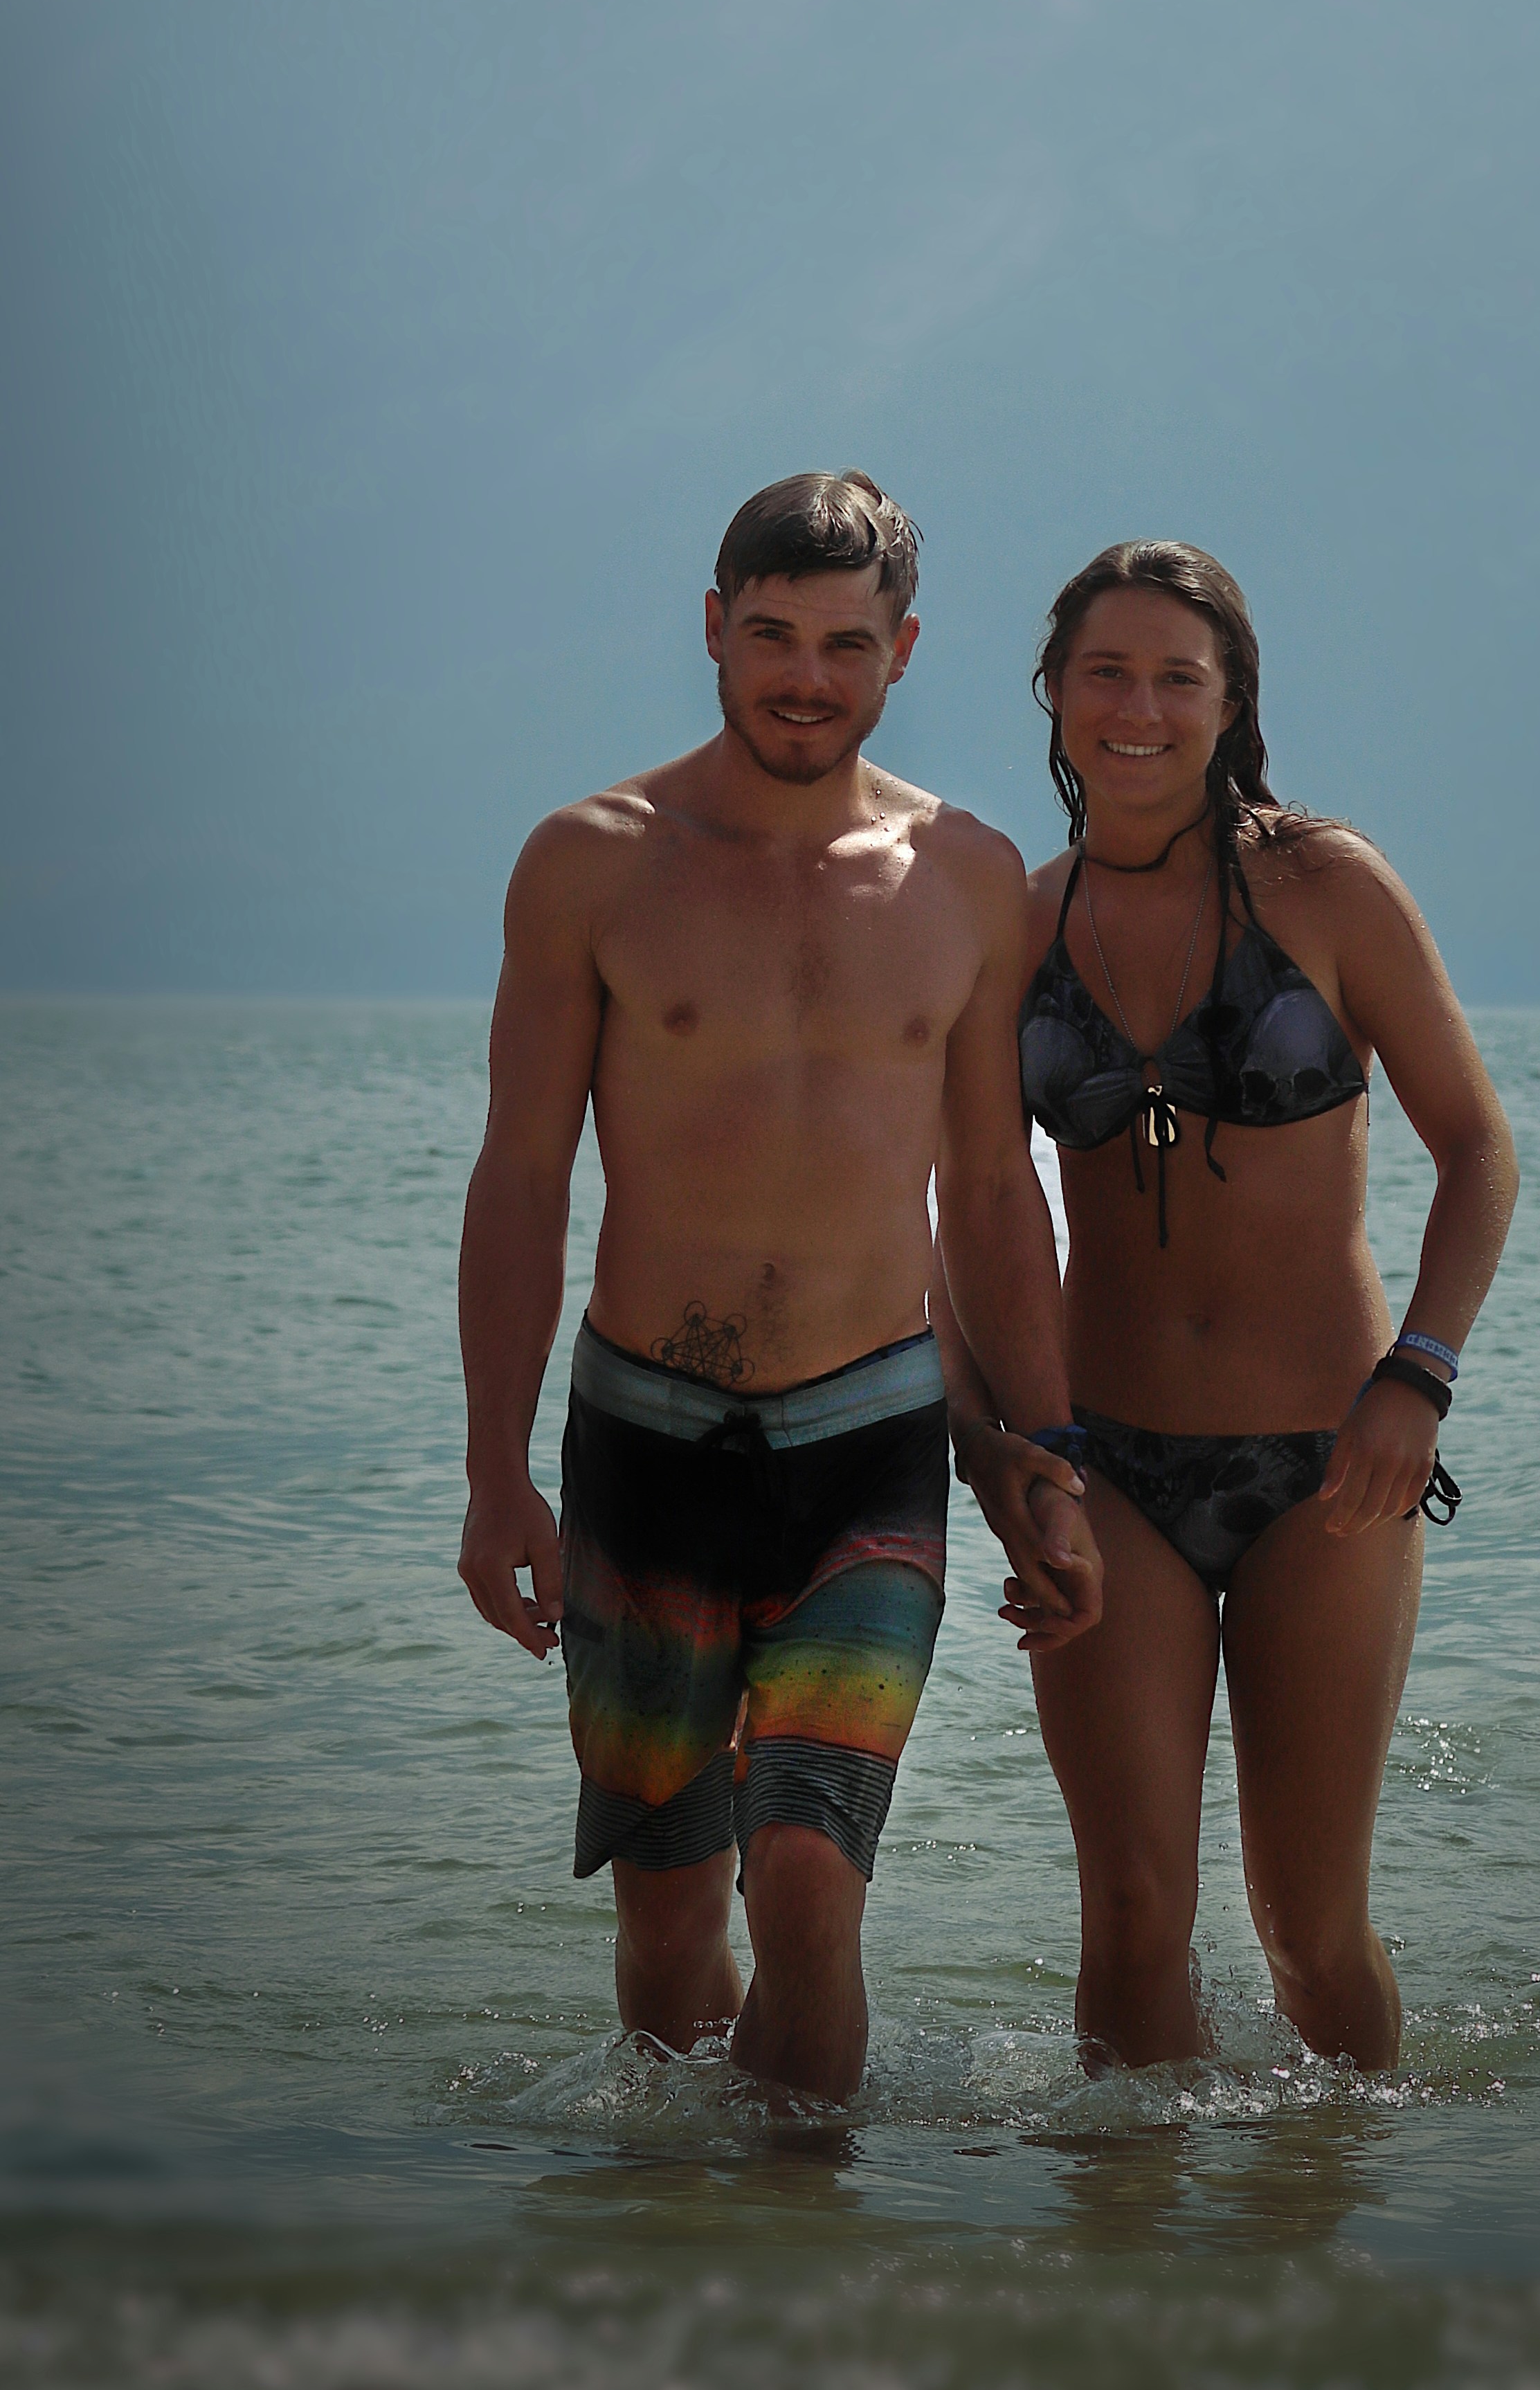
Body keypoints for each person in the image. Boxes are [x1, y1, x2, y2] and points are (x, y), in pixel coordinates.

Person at [457, 471, 1100, 2102]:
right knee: (673, 1930)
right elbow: (523, 1176)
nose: (804, 675)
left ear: (902, 650)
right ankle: (688, 2259)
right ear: (713, 628)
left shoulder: (963, 873)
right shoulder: (591, 862)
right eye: (769, 636)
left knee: (810, 1882)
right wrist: (492, 1470)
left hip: (866, 1441)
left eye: (842, 642)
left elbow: (995, 1195)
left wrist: (1044, 1452)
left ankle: (809, 2255)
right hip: (643, 1440)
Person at [937, 540, 1517, 2074]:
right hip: (1104, 1460)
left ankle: (1328, 2250)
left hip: (1330, 1464)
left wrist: (1422, 1376)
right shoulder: (1021, 919)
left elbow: (1478, 1147)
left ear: (1230, 698)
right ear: (1054, 694)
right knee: (1129, 1913)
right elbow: (958, 1214)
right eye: (1104, 671)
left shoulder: (1324, 882)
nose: (1138, 705)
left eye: (1176, 675)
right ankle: (1128, 2272)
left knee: (1308, 1925)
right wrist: (993, 1443)